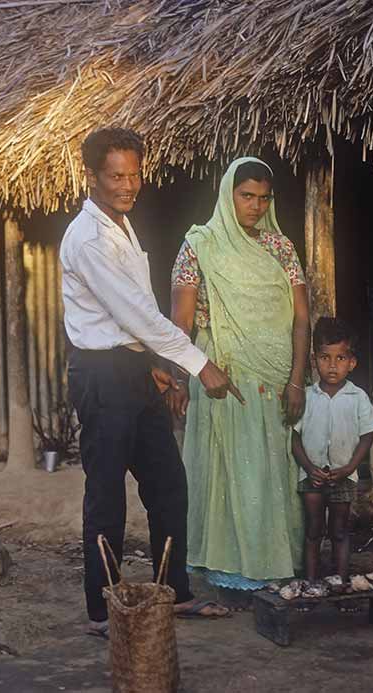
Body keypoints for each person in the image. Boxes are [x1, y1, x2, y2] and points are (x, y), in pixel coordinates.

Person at [60, 128, 238, 639]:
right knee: (107, 496)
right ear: (91, 177)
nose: (128, 184)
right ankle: (104, 611)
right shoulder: (89, 238)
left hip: (133, 369)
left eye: (135, 174)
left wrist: (151, 361)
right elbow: (139, 313)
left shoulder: (120, 224)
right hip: (101, 375)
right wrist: (198, 363)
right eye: (116, 176)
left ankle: (172, 591)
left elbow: (132, 320)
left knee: (167, 484)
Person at [169, 157, 311, 594]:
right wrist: (178, 377)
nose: (255, 205)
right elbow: (182, 320)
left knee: (272, 468)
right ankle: (230, 572)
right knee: (229, 471)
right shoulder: (200, 245)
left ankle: (273, 563)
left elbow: (301, 319)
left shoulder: (281, 248)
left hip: (275, 376)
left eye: (263, 197)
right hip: (222, 375)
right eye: (247, 195)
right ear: (229, 194)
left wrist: (295, 380)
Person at [291, 317, 373, 597]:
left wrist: (349, 468)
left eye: (340, 358)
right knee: (313, 531)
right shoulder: (306, 397)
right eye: (325, 357)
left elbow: (367, 436)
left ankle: (340, 583)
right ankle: (310, 583)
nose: (332, 365)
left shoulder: (358, 398)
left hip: (344, 476)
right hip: (312, 478)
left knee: (340, 532)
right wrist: (309, 467)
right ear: (314, 360)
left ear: (352, 362)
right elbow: (294, 438)